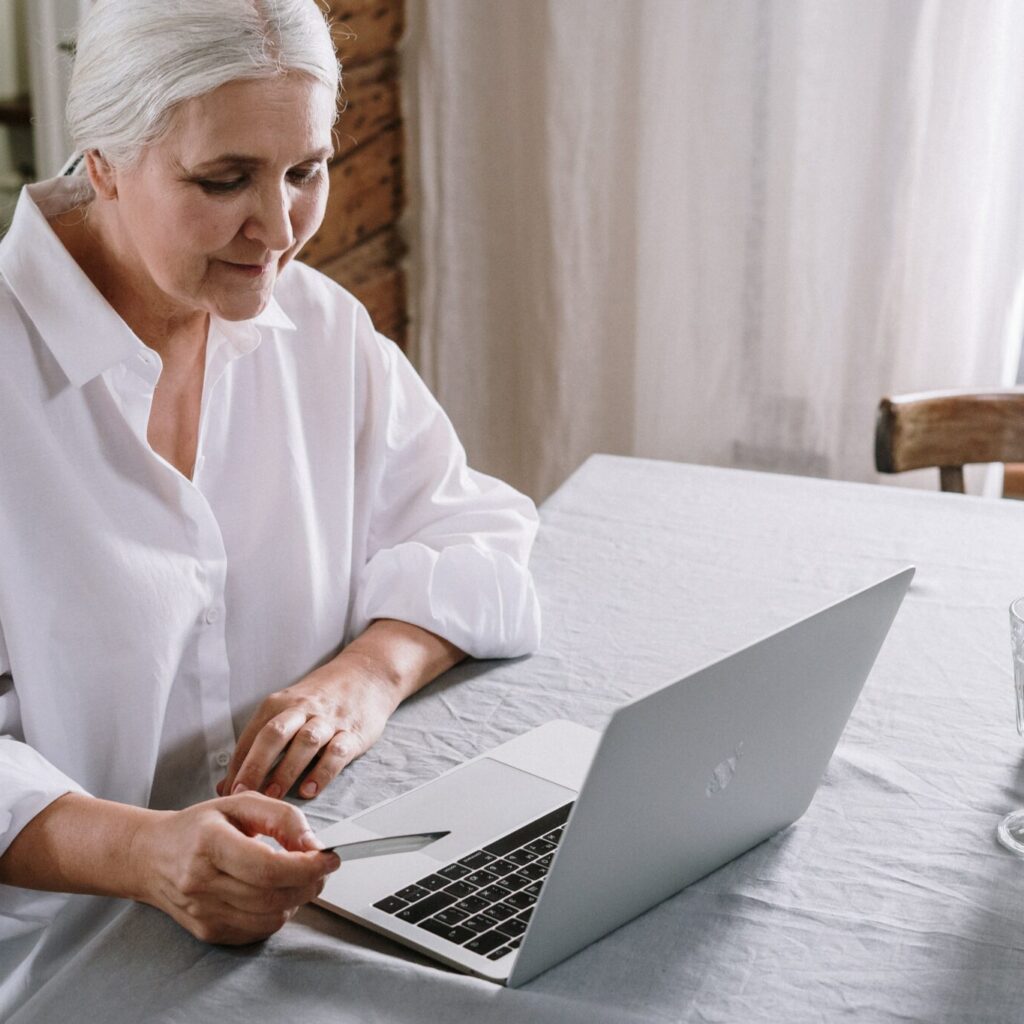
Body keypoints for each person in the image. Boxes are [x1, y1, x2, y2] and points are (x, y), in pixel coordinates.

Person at [0, 0, 540, 1010]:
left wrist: (366, 674)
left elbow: (477, 528)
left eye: (307, 170)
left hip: (298, 918)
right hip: (54, 961)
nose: (281, 229)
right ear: (103, 161)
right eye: (225, 179)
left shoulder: (318, 328)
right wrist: (141, 852)